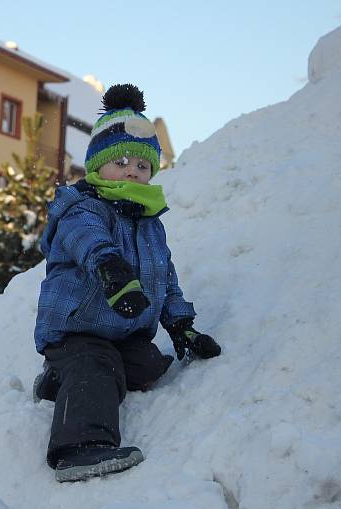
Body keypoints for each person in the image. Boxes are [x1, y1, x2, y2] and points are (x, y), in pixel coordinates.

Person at [33, 83, 222, 483]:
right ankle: (79, 448)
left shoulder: (149, 225)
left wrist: (181, 325)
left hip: (121, 330)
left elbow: (163, 278)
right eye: (120, 162)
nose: (131, 171)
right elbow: (91, 245)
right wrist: (112, 272)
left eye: (141, 165)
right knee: (94, 365)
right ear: (96, 166)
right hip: (75, 328)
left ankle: (56, 382)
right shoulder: (82, 208)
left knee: (146, 366)